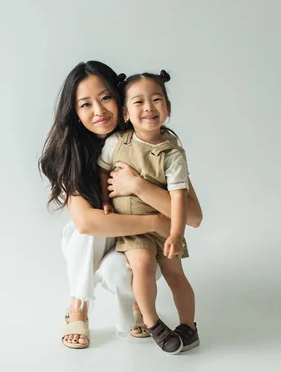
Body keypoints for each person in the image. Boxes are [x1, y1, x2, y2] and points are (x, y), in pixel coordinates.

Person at [38, 61, 203, 349]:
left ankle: (143, 308)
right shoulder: (76, 153)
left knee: (134, 268)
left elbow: (194, 216)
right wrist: (154, 221)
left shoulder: (158, 142)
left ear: (120, 99)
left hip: (148, 243)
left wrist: (138, 185)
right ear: (75, 113)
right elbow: (86, 223)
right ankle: (78, 306)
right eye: (85, 104)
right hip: (108, 238)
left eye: (105, 98)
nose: (99, 111)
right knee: (82, 236)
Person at [98, 70, 199, 354]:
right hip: (132, 226)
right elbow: (102, 171)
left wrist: (177, 233)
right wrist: (106, 200)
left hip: (166, 227)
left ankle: (189, 327)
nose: (149, 108)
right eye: (139, 102)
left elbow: (179, 197)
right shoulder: (116, 143)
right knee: (142, 265)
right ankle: (153, 323)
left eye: (156, 100)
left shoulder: (172, 153)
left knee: (176, 275)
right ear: (126, 113)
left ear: (167, 107)